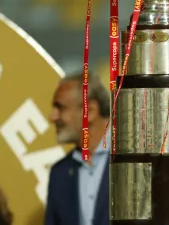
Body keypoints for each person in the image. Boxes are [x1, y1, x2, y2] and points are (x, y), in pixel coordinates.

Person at [45, 72, 111, 225]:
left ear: (91, 111)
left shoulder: (139, 159)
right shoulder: (59, 174)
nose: (52, 117)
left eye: (60, 108)